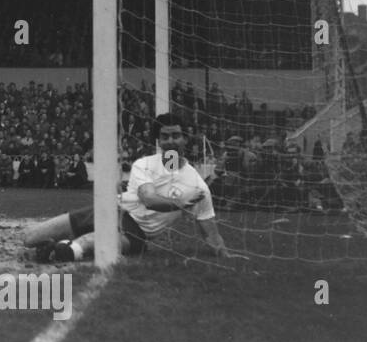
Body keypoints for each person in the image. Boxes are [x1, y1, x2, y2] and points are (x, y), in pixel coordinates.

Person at [22, 113, 243, 263]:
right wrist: (180, 203)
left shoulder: (198, 186)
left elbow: (210, 232)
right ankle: (57, 244)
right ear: (158, 141)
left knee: (85, 245)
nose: (171, 141)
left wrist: (225, 254)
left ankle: (62, 248)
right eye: (165, 136)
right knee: (30, 238)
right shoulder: (144, 164)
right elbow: (148, 199)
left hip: (137, 232)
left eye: (176, 135)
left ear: (185, 139)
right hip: (112, 211)